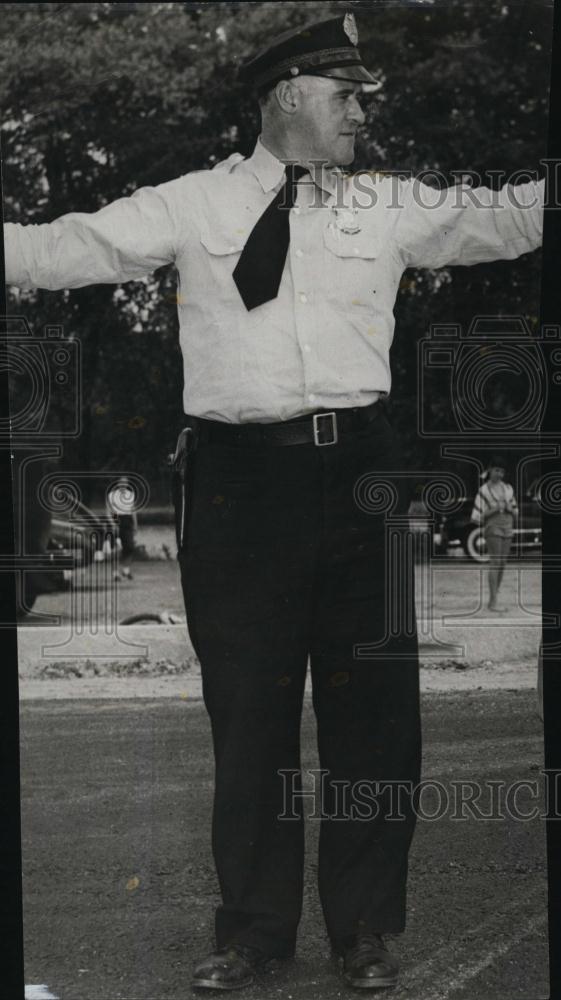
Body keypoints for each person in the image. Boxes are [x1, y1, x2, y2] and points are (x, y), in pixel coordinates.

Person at [3, 13, 544, 992]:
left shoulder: (386, 202)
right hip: (239, 487)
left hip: (361, 483)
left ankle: (366, 931)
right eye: (347, 98)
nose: (361, 116)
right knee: (248, 721)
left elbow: (504, 216)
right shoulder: (190, 204)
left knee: (375, 721)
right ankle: (253, 932)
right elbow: (66, 247)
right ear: (288, 96)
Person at [471, 457, 518, 614]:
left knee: (503, 563)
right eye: (497, 470)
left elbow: (516, 512)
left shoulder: (508, 488)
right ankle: (493, 602)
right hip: (493, 527)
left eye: (502, 471)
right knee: (495, 562)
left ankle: (493, 598)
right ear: (490, 470)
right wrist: (495, 508)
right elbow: (476, 517)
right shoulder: (483, 490)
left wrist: (510, 508)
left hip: (508, 526)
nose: (499, 473)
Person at [105, 476, 138, 581]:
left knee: (130, 546)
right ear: (118, 483)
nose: (123, 485)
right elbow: (110, 511)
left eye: (126, 483)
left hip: (127, 520)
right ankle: (115, 573)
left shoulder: (130, 494)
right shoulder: (112, 495)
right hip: (116, 520)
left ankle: (126, 570)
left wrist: (135, 524)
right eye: (121, 482)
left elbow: (133, 510)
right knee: (116, 548)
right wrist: (114, 523)